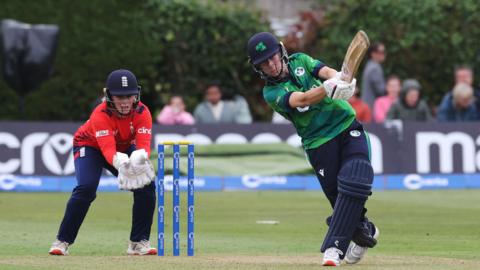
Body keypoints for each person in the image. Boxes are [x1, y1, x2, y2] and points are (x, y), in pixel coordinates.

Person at [247, 32, 378, 266]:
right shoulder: (271, 93)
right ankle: (365, 230)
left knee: (356, 176)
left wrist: (340, 77)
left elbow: (324, 71)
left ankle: (333, 249)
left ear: (281, 51)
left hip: (346, 125)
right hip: (318, 142)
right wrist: (329, 88)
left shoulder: (300, 60)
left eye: (273, 57)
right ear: (258, 68)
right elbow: (303, 99)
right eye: (264, 63)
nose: (271, 64)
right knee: (339, 197)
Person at [49, 69, 157, 256]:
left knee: (146, 185)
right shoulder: (101, 113)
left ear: (136, 95)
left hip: (122, 146)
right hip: (89, 145)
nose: (124, 102)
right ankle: (62, 241)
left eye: (129, 96)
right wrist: (123, 166)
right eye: (119, 97)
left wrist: (138, 161)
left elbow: (143, 146)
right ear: (109, 95)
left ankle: (138, 243)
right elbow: (107, 150)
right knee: (86, 188)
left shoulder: (142, 112)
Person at [361, 42, 386, 109]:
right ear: (373, 54)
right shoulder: (375, 68)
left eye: (384, 52)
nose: (383, 54)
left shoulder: (369, 65)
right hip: (372, 105)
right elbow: (380, 90)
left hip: (367, 103)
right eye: (381, 52)